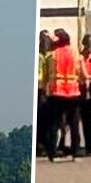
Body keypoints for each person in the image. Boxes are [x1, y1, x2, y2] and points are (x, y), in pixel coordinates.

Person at [45, 29, 85, 161]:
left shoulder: (53, 56)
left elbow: (49, 76)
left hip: (57, 92)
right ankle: (75, 152)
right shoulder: (76, 55)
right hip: (73, 92)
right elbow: (82, 74)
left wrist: (48, 91)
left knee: (54, 123)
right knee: (74, 123)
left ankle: (53, 152)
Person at [35, 30, 55, 160]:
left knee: (42, 121)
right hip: (43, 89)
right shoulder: (48, 57)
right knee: (45, 122)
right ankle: (44, 146)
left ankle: (41, 146)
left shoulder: (45, 56)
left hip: (41, 89)